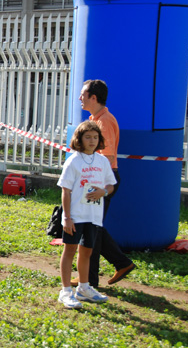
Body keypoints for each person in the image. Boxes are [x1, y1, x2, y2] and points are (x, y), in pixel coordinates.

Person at [74, 79, 135, 287]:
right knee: (94, 226)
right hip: (99, 180)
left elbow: (107, 157)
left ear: (93, 97)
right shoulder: (97, 119)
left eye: (83, 94)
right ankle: (113, 267)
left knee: (91, 227)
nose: (80, 97)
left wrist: (99, 186)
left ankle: (94, 277)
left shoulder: (104, 122)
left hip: (103, 180)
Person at [57, 120, 117, 309]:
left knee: (87, 252)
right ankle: (66, 291)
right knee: (70, 251)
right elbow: (65, 190)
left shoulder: (102, 161)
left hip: (93, 215)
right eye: (88, 137)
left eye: (95, 137)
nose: (92, 140)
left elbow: (110, 185)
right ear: (79, 139)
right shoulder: (73, 161)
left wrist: (104, 192)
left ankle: (83, 288)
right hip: (76, 216)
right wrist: (67, 217)